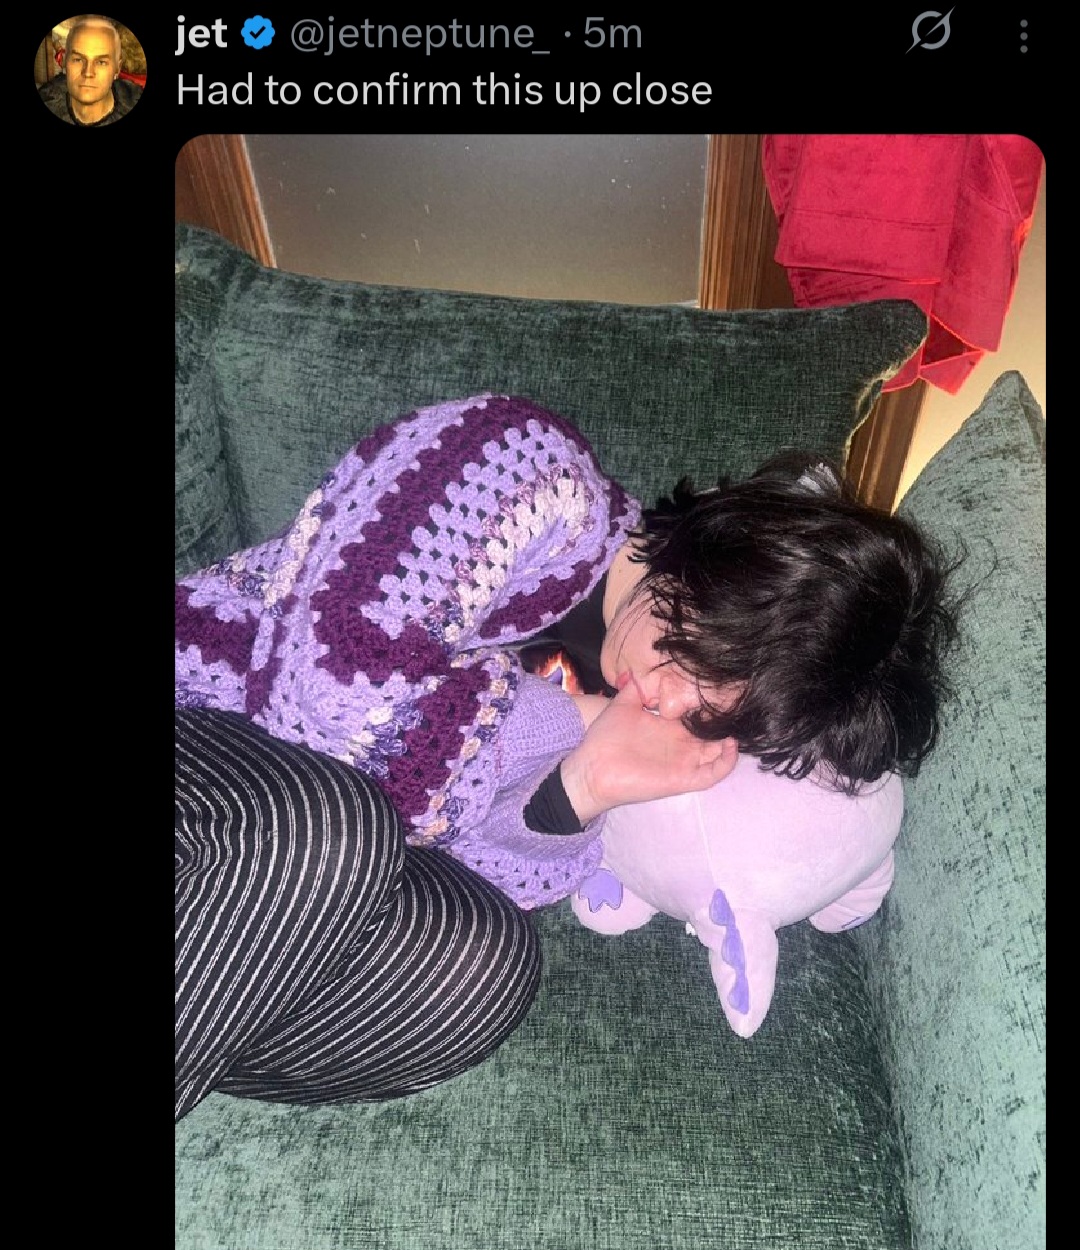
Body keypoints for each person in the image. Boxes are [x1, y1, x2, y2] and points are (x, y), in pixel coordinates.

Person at [175, 392, 959, 1117]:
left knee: (483, 965)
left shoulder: (645, 719)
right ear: (722, 564)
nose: (668, 708)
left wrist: (580, 789)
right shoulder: (523, 468)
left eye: (717, 719)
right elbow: (322, 698)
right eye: (699, 662)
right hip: (205, 727)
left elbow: (455, 859)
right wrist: (570, 718)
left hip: (250, 893)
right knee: (332, 828)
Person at [38, 16, 142, 127]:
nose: (88, 73)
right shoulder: (47, 98)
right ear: (64, 62)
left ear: (117, 68)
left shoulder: (134, 99)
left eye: (101, 62)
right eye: (78, 60)